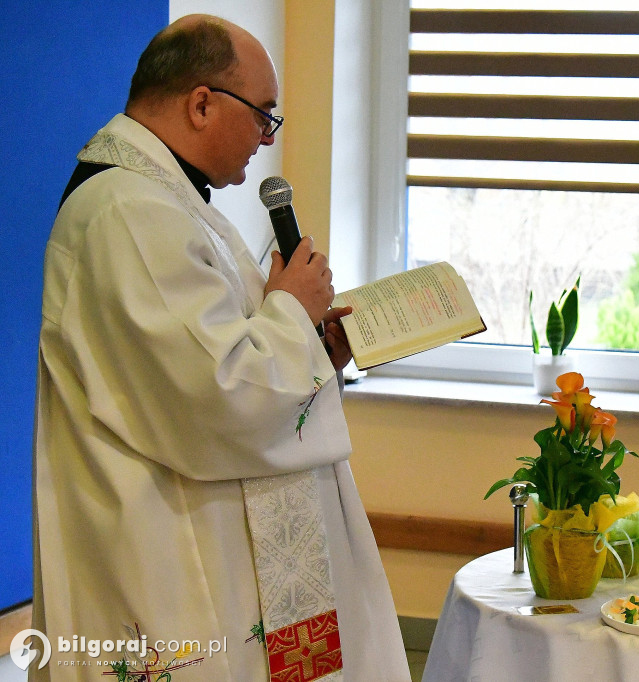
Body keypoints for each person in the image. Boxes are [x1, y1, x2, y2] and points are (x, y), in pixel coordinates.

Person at [31, 14, 410, 681]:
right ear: (201, 103)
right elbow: (215, 390)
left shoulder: (169, 204)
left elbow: (216, 353)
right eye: (264, 113)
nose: (268, 137)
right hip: (170, 558)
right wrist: (291, 306)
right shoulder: (127, 211)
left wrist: (316, 348)